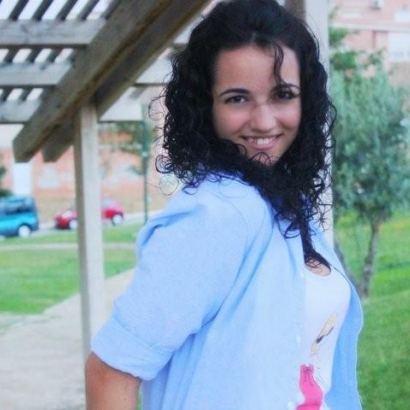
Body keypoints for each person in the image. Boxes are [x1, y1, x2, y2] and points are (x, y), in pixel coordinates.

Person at [85, 0, 363, 409]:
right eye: (237, 99)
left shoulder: (284, 205)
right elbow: (110, 372)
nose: (264, 121)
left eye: (283, 95)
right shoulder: (218, 214)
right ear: (206, 107)